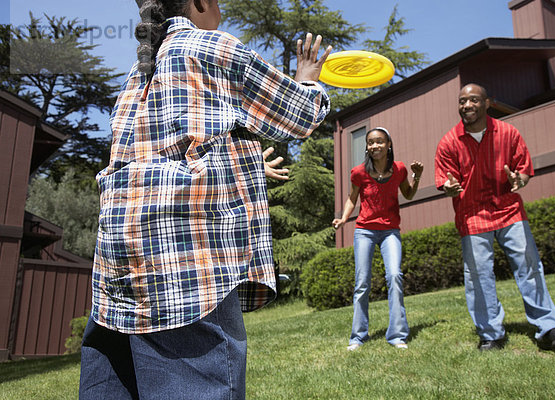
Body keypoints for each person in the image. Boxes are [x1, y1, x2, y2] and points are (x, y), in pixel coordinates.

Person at [79, 0, 332, 398]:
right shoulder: (213, 47)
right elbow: (300, 113)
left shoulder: (137, 75)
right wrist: (308, 79)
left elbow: (163, 159)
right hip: (185, 269)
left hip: (118, 272)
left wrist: (244, 164)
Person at [434, 83, 555, 351]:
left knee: (529, 268)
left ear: (487, 103)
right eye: (462, 101)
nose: (467, 105)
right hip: (472, 216)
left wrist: (519, 181)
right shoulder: (449, 142)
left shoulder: (508, 133)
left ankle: (549, 328)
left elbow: (523, 170)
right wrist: (449, 188)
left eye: (474, 100)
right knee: (479, 276)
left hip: (509, 210)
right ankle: (491, 334)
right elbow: (446, 181)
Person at [332, 127, 423, 351]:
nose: (375, 146)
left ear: (389, 144)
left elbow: (409, 194)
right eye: (371, 143)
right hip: (365, 231)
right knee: (362, 283)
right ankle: (358, 336)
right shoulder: (359, 172)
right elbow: (352, 199)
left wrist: (417, 176)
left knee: (394, 276)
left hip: (390, 231)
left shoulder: (399, 169)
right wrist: (344, 218)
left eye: (380, 142)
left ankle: (397, 335)